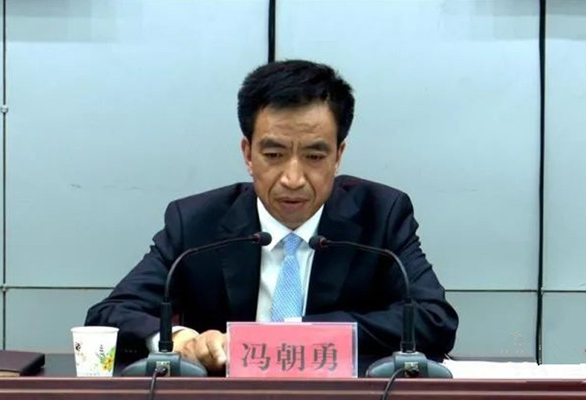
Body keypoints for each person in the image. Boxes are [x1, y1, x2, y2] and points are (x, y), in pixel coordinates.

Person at [85, 59, 458, 374]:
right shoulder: (197, 223)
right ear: (248, 154)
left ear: (338, 155)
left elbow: (433, 321)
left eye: (314, 156)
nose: (293, 178)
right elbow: (109, 315)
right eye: (274, 155)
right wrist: (180, 340)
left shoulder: (381, 215)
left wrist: (294, 336)